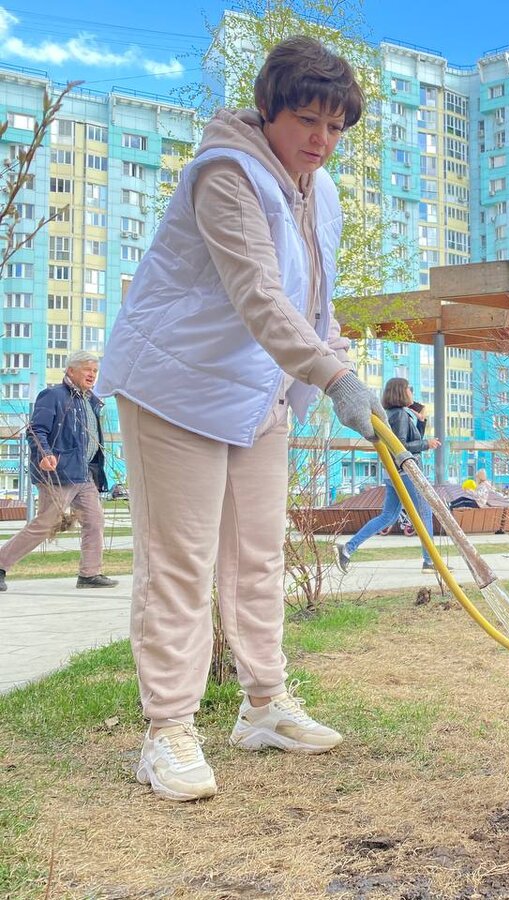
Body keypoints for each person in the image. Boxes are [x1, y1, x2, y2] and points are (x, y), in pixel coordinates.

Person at [95, 36, 381, 802]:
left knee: (257, 553)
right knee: (179, 562)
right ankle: (168, 731)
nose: (322, 139)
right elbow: (258, 293)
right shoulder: (225, 173)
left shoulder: (319, 189)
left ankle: (264, 705)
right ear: (268, 108)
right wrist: (334, 375)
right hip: (177, 387)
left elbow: (309, 299)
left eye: (335, 126)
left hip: (258, 394)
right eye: (307, 119)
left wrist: (334, 363)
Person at [0, 351, 117, 592]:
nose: (92, 375)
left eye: (95, 371)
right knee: (45, 523)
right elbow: (35, 430)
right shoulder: (53, 396)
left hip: (85, 475)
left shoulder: (90, 401)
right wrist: (44, 454)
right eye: (87, 369)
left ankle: (89, 574)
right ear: (70, 371)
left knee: (95, 521)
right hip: (58, 474)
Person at [336, 377, 441, 572]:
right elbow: (400, 447)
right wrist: (427, 444)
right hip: (405, 472)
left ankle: (348, 548)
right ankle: (429, 561)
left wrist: (421, 421)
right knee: (424, 512)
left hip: (393, 473)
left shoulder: (393, 414)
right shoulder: (400, 415)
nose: (412, 393)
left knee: (389, 516)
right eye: (409, 389)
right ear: (402, 392)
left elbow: (405, 440)